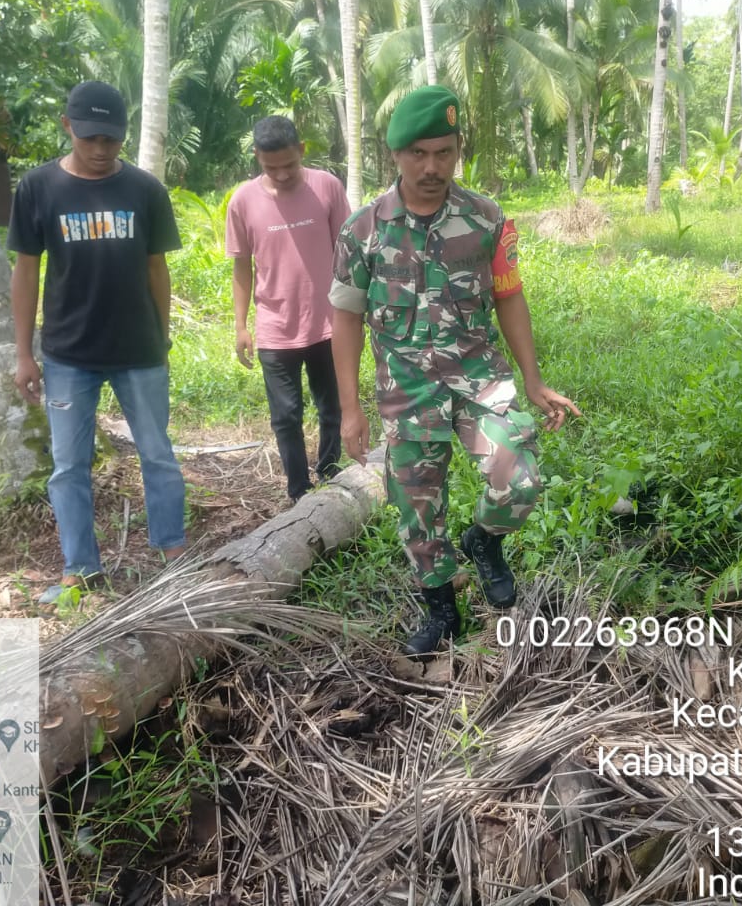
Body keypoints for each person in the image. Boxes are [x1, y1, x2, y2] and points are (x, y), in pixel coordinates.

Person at [329, 85, 581, 656]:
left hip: (479, 376)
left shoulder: (485, 218)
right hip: (406, 389)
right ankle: (441, 609)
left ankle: (484, 540)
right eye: (418, 153)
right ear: (394, 154)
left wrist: (534, 380)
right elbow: (344, 318)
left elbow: (510, 296)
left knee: (519, 479)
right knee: (418, 507)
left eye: (444, 152)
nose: (432, 167)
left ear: (458, 150)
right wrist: (349, 409)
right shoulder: (362, 231)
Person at [9, 80, 187, 602]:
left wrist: (163, 335)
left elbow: (157, 269)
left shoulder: (145, 190)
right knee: (69, 465)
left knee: (157, 453)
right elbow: (25, 273)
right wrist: (24, 353)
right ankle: (80, 568)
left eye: (111, 139)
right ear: (68, 127)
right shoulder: (38, 188)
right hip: (68, 355)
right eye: (91, 139)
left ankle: (172, 551)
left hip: (139, 352)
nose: (101, 150)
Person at [226, 116, 350, 502]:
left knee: (332, 406)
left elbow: (347, 256)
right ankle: (299, 490)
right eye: (270, 167)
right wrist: (241, 326)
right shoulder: (243, 201)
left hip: (328, 323)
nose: (281, 175)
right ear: (257, 158)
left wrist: (357, 313)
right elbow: (241, 266)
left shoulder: (326, 188)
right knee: (285, 417)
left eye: (289, 165)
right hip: (275, 328)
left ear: (302, 151)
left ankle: (330, 475)